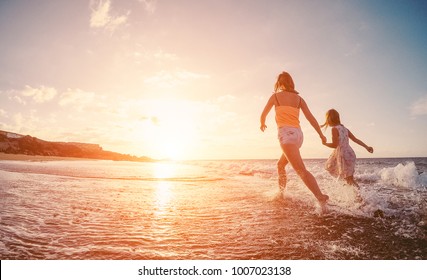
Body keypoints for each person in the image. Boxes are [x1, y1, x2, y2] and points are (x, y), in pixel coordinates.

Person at [260, 71, 329, 206]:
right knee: (280, 165)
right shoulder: (299, 100)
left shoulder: (275, 97)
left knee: (300, 170)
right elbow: (311, 118)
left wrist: (262, 123)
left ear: (279, 83)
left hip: (286, 135)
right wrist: (321, 135)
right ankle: (281, 193)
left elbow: (263, 114)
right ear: (291, 83)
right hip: (298, 136)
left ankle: (320, 196)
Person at [321, 109, 374, 187]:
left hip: (343, 155)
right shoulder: (345, 129)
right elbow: (355, 140)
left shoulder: (334, 129)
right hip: (350, 154)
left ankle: (359, 196)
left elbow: (335, 145)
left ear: (329, 119)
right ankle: (353, 195)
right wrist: (366, 147)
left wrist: (325, 144)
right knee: (349, 179)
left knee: (348, 179)